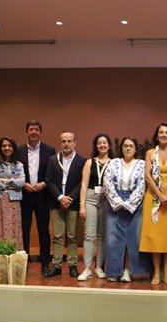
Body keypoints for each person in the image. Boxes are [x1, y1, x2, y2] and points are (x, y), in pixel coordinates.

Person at [140, 123, 167, 285]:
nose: (164, 135)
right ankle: (156, 272)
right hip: (153, 198)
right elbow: (148, 175)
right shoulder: (151, 153)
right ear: (157, 135)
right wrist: (160, 195)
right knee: (155, 236)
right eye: (161, 132)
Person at [104, 137, 148, 282]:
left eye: (131, 146)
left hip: (134, 204)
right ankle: (114, 272)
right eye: (125, 146)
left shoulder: (142, 164)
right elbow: (107, 182)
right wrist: (117, 202)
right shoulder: (113, 163)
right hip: (114, 204)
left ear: (136, 149)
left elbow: (142, 184)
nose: (128, 148)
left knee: (133, 239)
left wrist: (129, 203)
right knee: (113, 239)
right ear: (121, 148)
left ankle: (128, 271)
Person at [44, 132, 86, 278]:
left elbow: (83, 182)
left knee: (73, 236)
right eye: (63, 141)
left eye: (69, 141)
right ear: (60, 143)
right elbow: (48, 180)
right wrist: (60, 197)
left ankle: (72, 265)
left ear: (75, 143)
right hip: (56, 203)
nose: (66, 144)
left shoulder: (82, 160)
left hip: (73, 204)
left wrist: (70, 198)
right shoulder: (52, 160)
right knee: (57, 235)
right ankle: (56, 265)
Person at [17, 120, 55, 276]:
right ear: (26, 132)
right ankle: (23, 264)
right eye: (31, 129)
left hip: (42, 195)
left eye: (36, 129)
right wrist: (23, 184)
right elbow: (14, 171)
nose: (33, 132)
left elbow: (53, 172)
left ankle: (45, 264)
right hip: (24, 194)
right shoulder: (18, 151)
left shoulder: (49, 150)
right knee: (24, 230)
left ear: (40, 132)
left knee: (43, 231)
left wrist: (44, 184)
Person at [0, 136, 25, 279]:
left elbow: (22, 182)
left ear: (13, 148)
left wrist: (3, 181)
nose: (6, 148)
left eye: (9, 145)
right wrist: (9, 184)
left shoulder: (19, 164)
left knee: (14, 232)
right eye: (4, 146)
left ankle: (14, 265)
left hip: (14, 202)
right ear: (0, 148)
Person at [77, 134, 112, 281]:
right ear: (96, 146)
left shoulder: (114, 163)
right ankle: (87, 269)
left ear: (109, 145)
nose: (102, 145)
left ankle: (99, 268)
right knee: (89, 235)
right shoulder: (89, 163)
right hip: (91, 199)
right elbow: (84, 184)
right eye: (99, 143)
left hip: (107, 200)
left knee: (102, 236)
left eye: (105, 143)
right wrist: (82, 205)